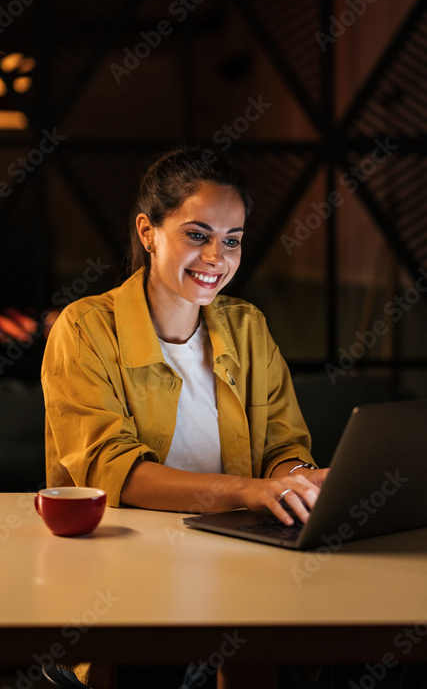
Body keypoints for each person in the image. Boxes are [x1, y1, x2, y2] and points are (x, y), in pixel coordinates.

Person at [40, 147, 329, 689]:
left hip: (243, 564)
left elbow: (284, 446)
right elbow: (113, 471)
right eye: (197, 234)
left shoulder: (248, 327)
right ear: (148, 231)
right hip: (124, 577)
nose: (216, 257)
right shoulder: (84, 329)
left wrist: (297, 481)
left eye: (232, 240)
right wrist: (248, 491)